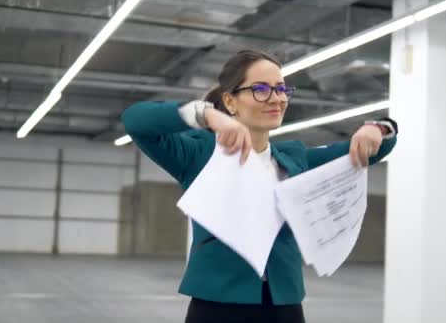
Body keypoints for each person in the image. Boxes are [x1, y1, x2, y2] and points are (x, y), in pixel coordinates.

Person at [121, 50, 398, 323]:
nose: (276, 98)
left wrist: (378, 128)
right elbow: (135, 120)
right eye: (262, 89)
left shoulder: (296, 158)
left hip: (283, 305)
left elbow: (373, 149)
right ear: (230, 101)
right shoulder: (200, 154)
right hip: (218, 304)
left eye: (281, 89)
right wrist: (206, 115)